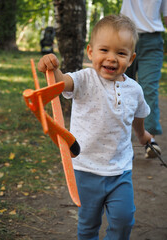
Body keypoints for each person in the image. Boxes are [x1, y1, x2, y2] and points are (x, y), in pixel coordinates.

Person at [38, 15, 152, 240]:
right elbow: (62, 83)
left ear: (131, 59)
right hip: (85, 168)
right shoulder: (85, 78)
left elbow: (138, 116)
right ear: (91, 52)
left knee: (124, 220)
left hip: (120, 170)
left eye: (120, 53)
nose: (111, 58)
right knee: (88, 225)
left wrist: (142, 135)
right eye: (104, 50)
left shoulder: (135, 90)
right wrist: (51, 68)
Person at [121, 0, 167, 158]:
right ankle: (122, 141)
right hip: (124, 36)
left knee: (149, 89)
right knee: (120, 88)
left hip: (152, 40)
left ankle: (149, 140)